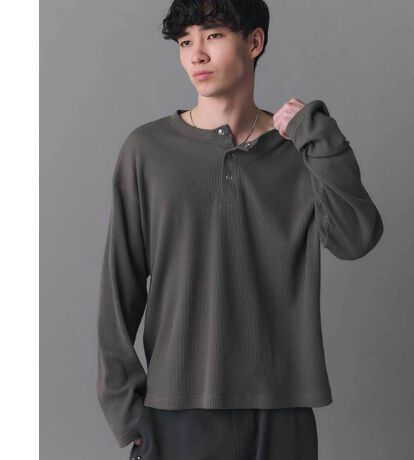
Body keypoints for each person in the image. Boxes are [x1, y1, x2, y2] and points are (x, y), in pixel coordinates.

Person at [96, 1, 384, 459]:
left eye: (212, 35)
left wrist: (318, 136)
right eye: (185, 41)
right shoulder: (147, 150)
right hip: (177, 409)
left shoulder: (300, 151)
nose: (196, 54)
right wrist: (124, 410)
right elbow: (120, 285)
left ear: (254, 42)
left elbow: (356, 238)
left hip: (283, 407)